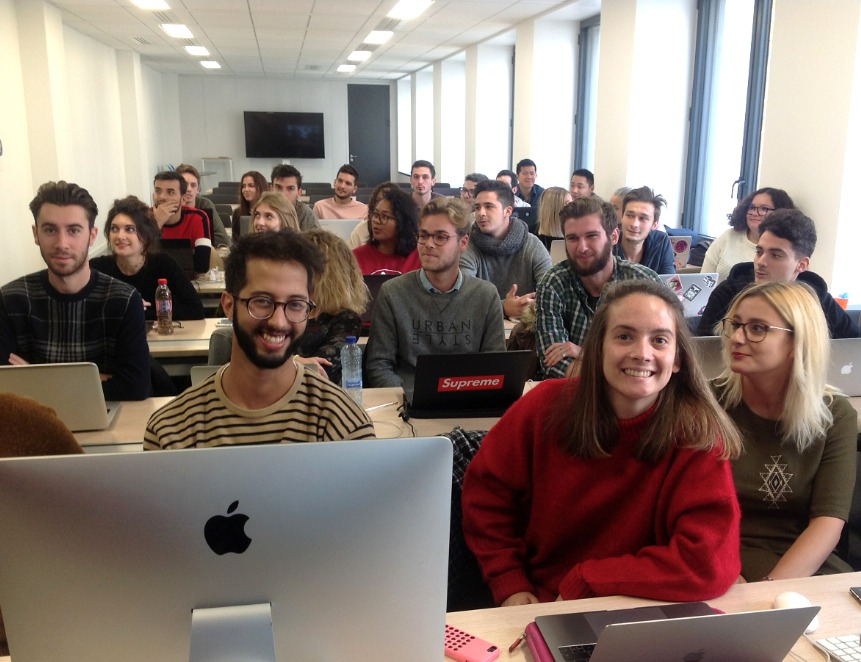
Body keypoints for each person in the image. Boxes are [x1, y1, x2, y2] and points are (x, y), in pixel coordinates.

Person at [462, 279, 743, 606]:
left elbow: (708, 561)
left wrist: (588, 579)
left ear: (678, 358)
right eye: (624, 336)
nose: (642, 353)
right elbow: (486, 498)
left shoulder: (697, 436)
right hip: (539, 602)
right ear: (597, 348)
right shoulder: (543, 408)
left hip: (643, 609)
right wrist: (508, 580)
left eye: (660, 340)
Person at [143, 231, 375, 450]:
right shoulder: (170, 431)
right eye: (262, 301)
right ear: (229, 305)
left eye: (295, 304)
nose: (279, 322)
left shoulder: (345, 425)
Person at [714, 281, 856, 581]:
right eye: (735, 325)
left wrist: (772, 591)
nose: (737, 338)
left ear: (796, 342)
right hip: (722, 552)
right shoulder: (708, 403)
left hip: (802, 559)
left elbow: (828, 521)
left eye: (757, 328)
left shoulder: (835, 414)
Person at [0, 181, 150, 400]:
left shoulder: (125, 299)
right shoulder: (9, 300)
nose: (62, 243)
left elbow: (135, 387)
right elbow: (5, 386)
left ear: (91, 235)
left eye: (73, 230)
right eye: (50, 230)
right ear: (35, 234)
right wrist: (94, 380)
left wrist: (35, 378)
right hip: (34, 424)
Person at [365, 197, 505, 391]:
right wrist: (407, 400)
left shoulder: (486, 296)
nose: (428, 244)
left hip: (467, 402)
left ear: (463, 243)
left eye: (440, 237)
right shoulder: (392, 292)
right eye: (423, 235)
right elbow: (378, 365)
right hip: (407, 406)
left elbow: (494, 367)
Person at [535, 196, 662, 379]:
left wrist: (584, 354)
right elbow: (552, 365)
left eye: (591, 236)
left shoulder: (645, 282)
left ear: (614, 236)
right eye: (572, 238)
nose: (582, 247)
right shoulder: (553, 283)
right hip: (575, 397)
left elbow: (661, 356)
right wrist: (621, 370)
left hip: (637, 396)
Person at [697, 210, 861, 338]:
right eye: (759, 251)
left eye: (775, 255)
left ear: (801, 265)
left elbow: (853, 345)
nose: (761, 261)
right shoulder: (728, 293)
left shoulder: (817, 297)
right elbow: (702, 353)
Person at [90, 195, 205, 321]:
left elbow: (195, 310)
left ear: (145, 235)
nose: (120, 236)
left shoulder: (164, 264)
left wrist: (140, 312)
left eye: (129, 229)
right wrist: (123, 307)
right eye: (114, 229)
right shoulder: (96, 268)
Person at [460, 180, 551, 318]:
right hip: (480, 329)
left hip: (525, 328)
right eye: (477, 207)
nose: (481, 213)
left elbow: (551, 291)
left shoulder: (532, 244)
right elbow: (463, 298)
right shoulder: (468, 245)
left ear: (507, 211)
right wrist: (503, 307)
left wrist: (531, 305)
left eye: (489, 206)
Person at [293, 229, 368, 384]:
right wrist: (295, 360)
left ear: (326, 274)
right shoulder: (287, 308)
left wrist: (287, 362)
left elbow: (319, 370)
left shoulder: (346, 320)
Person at [701, 187, 794, 282]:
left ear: (780, 212)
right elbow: (703, 280)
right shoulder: (728, 236)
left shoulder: (784, 247)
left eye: (764, 209)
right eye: (752, 207)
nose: (754, 213)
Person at [152, 170, 213, 274]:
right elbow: (138, 261)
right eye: (158, 191)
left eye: (170, 192)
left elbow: (202, 265)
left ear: (183, 199)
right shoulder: (142, 217)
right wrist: (156, 224)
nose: (162, 197)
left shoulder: (198, 217)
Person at [352, 184, 421, 275]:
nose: (376, 221)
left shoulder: (419, 257)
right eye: (375, 215)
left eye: (384, 217)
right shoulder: (356, 256)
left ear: (402, 221)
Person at [612, 186, 675, 274]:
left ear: (654, 224)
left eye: (643, 218)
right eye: (629, 215)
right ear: (622, 217)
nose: (634, 224)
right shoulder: (608, 243)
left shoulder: (661, 241)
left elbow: (669, 284)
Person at [175, 163, 230, 248]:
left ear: (198, 189)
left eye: (193, 185)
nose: (189, 189)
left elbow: (222, 239)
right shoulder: (169, 206)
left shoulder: (205, 205)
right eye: (184, 184)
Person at [270, 164, 320, 231]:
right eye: (278, 187)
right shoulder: (262, 210)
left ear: (299, 192)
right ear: (271, 189)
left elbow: (316, 240)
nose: (283, 194)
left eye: (290, 189)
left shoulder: (305, 214)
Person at [232, 170, 269, 239]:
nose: (246, 189)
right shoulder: (238, 213)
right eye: (243, 186)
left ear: (261, 187)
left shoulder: (270, 211)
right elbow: (235, 240)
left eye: (251, 186)